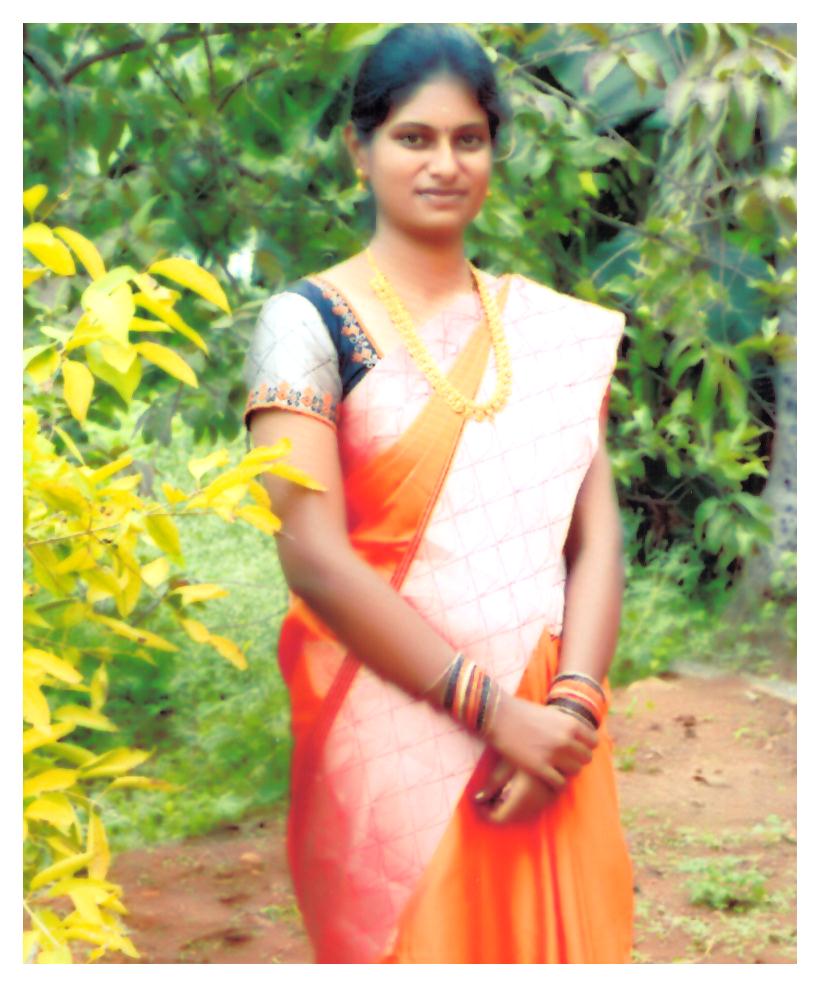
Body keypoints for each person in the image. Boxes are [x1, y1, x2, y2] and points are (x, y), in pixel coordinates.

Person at [242, 23, 633, 963]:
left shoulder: (544, 330)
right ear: (360, 148)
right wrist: (496, 715)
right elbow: (313, 557)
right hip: (387, 722)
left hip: (549, 732)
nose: (444, 163)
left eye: (469, 139)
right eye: (413, 137)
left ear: (493, 150)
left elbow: (595, 537)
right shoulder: (306, 323)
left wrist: (572, 713)